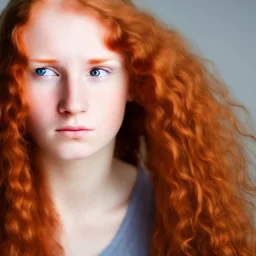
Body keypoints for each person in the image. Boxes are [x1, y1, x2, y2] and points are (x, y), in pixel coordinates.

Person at [0, 0, 255, 255]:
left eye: (98, 72)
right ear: (10, 83)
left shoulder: (190, 219)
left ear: (134, 83)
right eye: (45, 71)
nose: (73, 103)